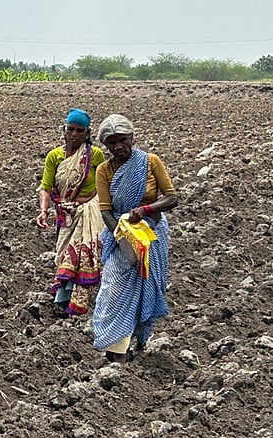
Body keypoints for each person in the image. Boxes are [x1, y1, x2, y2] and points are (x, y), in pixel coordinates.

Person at [91, 114, 178, 363]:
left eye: (122, 140)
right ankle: (115, 348)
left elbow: (171, 197)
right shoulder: (104, 170)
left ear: (132, 138)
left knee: (146, 287)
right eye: (111, 143)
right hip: (120, 236)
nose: (118, 147)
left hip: (151, 235)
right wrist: (122, 239)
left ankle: (136, 342)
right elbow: (106, 210)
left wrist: (146, 210)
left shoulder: (150, 162)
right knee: (113, 288)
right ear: (105, 145)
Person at [36, 108, 106, 317]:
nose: (74, 134)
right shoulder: (54, 157)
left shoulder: (95, 155)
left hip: (89, 213)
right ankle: (64, 299)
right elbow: (46, 187)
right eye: (70, 130)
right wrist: (43, 211)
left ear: (87, 134)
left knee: (83, 255)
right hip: (65, 214)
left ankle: (78, 303)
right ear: (64, 130)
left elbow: (104, 183)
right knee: (65, 255)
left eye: (79, 131)